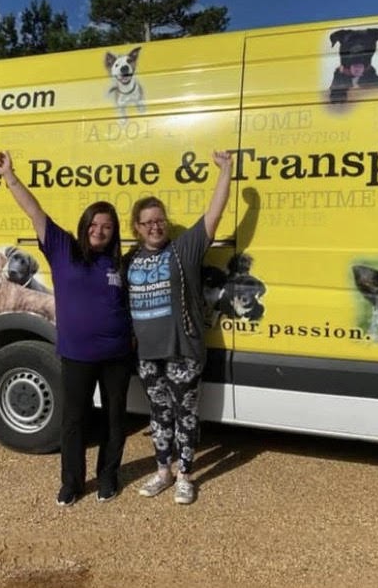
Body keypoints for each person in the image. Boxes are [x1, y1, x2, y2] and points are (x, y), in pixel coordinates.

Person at [0, 150, 133, 507]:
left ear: (114, 233)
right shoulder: (63, 248)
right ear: (85, 226)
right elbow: (34, 211)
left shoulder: (117, 262)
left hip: (116, 356)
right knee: (74, 421)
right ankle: (71, 483)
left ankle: (108, 477)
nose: (99, 230)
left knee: (115, 419)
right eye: (94, 224)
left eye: (107, 226)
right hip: (76, 355)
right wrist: (10, 176)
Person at [125, 150, 233, 505]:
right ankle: (162, 472)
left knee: (185, 415)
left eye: (160, 220)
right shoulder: (129, 260)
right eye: (147, 222)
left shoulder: (182, 250)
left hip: (182, 351)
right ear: (137, 228)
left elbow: (213, 216)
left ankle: (185, 475)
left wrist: (225, 170)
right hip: (147, 355)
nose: (155, 226)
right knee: (158, 416)